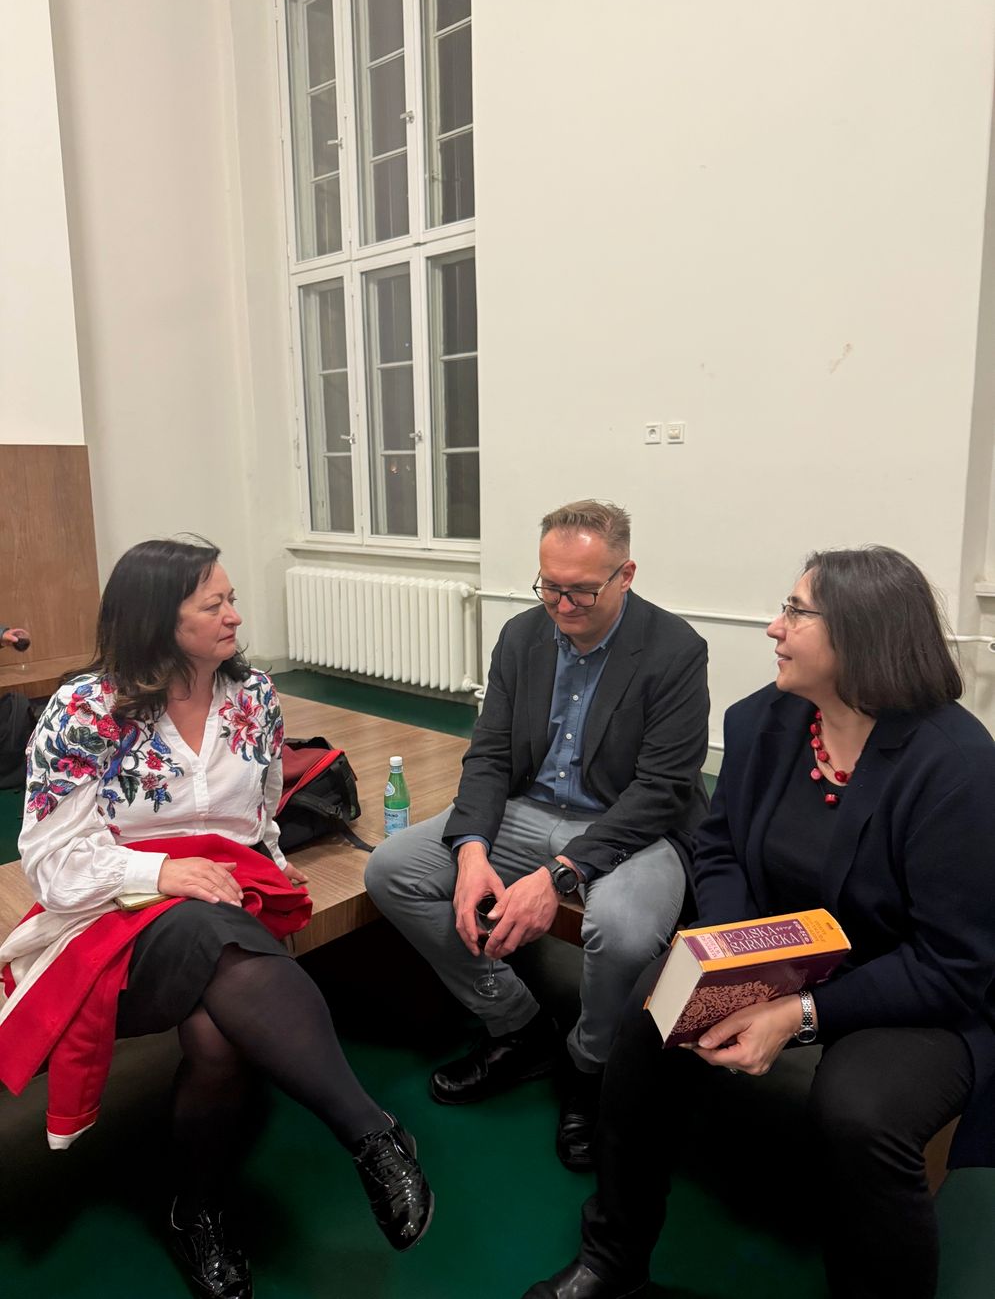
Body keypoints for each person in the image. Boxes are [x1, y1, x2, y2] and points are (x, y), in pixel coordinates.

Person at [522, 545, 995, 1299]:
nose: (774, 628)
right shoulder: (764, 721)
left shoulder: (955, 766)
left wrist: (797, 1013)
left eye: (796, 612)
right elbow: (720, 850)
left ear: (862, 635)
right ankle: (612, 1256)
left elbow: (952, 964)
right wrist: (737, 957)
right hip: (779, 952)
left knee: (860, 1113)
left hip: (908, 987)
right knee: (649, 1017)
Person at [0, 539, 432, 1299]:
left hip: (225, 895)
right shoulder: (83, 712)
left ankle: (195, 1210)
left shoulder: (252, 695)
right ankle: (372, 1133)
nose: (235, 614)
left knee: (215, 1037)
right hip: (109, 910)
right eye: (214, 604)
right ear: (157, 621)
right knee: (205, 927)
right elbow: (52, 865)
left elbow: (258, 805)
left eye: (230, 599)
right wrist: (160, 872)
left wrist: (270, 855)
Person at [365, 500, 709, 1171]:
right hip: (530, 808)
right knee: (393, 869)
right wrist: (471, 852)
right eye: (549, 586)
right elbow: (490, 754)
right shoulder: (522, 636)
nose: (562, 604)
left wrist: (558, 875)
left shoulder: (674, 650)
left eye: (581, 590)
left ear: (625, 575)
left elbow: (660, 789)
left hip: (630, 825)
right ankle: (519, 1026)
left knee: (625, 933)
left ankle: (590, 1066)